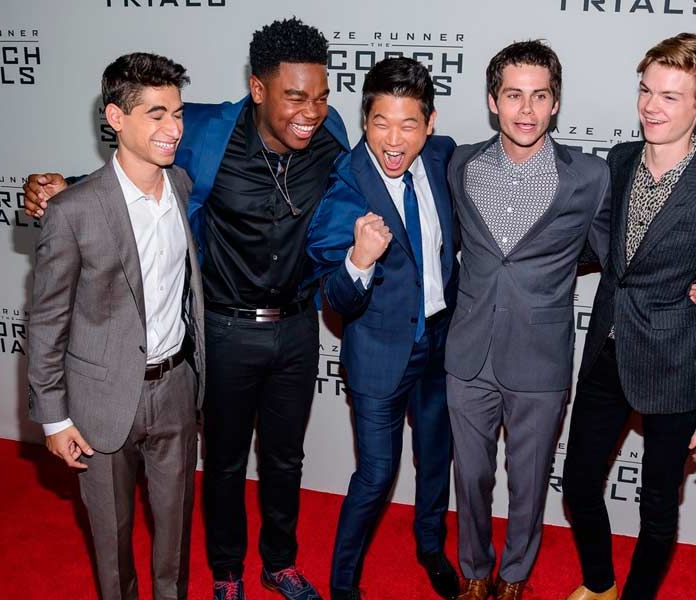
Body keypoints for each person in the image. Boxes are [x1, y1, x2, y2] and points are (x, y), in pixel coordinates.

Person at [23, 18, 350, 600]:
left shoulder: (331, 134)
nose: (311, 111)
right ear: (258, 89)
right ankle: (227, 573)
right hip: (224, 328)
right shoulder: (204, 131)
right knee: (222, 462)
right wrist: (61, 187)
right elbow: (134, 165)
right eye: (296, 97)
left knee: (286, 459)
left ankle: (280, 562)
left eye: (321, 97)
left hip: (298, 327)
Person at [444, 41, 696, 600]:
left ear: (555, 102)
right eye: (513, 95)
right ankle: (474, 570)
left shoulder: (589, 177)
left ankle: (513, 577)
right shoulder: (460, 164)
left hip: (540, 357)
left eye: (539, 96)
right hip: (468, 352)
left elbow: (625, 255)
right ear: (493, 101)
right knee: (469, 477)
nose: (526, 110)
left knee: (529, 481)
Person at [561, 33, 696, 600]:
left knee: (657, 508)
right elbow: (602, 250)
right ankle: (600, 584)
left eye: (670, 96)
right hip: (606, 351)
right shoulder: (619, 160)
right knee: (577, 485)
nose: (651, 106)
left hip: (675, 364)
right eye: (646, 90)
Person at [27, 52, 205, 600]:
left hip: (175, 388)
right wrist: (54, 419)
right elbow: (47, 321)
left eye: (177, 113)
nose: (173, 128)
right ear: (115, 117)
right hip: (100, 401)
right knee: (112, 542)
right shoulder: (72, 211)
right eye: (156, 114)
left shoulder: (182, 187)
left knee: (175, 535)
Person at [307, 57, 460, 600]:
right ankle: (343, 584)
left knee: (436, 457)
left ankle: (431, 547)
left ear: (430, 123)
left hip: (439, 343)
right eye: (380, 123)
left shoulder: (442, 158)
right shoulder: (346, 186)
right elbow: (334, 296)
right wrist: (359, 260)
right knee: (375, 475)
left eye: (408, 124)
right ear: (365, 120)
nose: (393, 141)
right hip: (380, 354)